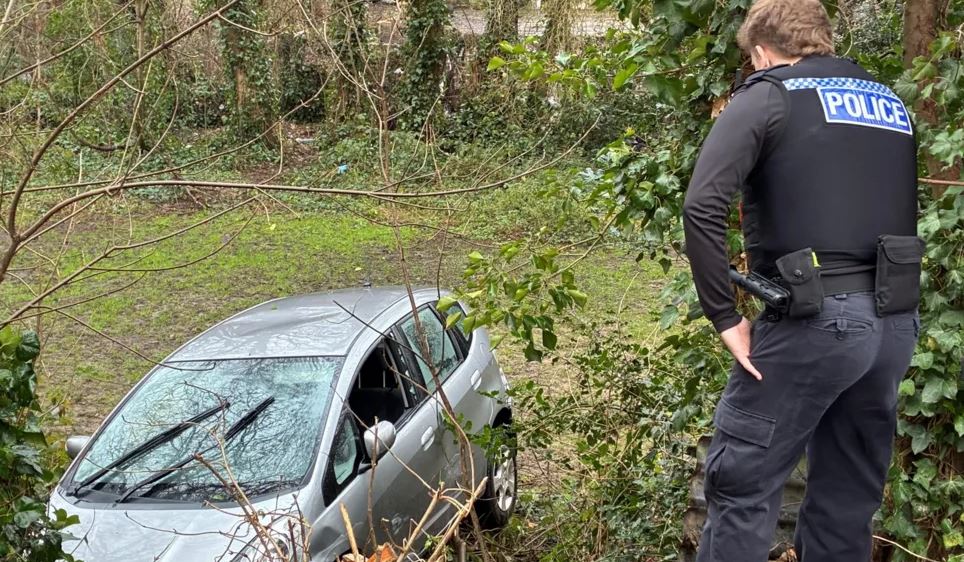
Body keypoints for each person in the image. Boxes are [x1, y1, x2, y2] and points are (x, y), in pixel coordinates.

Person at [681, 1, 923, 561]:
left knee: (741, 485)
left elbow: (702, 205)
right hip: (892, 324)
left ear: (761, 52)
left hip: (815, 321)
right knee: (847, 499)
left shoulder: (769, 95)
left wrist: (724, 316)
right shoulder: (887, 101)